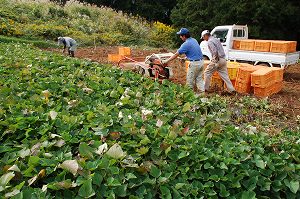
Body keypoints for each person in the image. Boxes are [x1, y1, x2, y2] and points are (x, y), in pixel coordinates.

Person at [164, 28, 204, 93]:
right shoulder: (194, 40)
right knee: (199, 79)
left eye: (180, 35)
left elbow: (176, 54)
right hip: (201, 62)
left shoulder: (186, 44)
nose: (180, 37)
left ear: (184, 36)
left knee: (190, 81)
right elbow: (195, 52)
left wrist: (167, 61)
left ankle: (190, 96)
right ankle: (202, 93)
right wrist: (185, 58)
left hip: (194, 64)